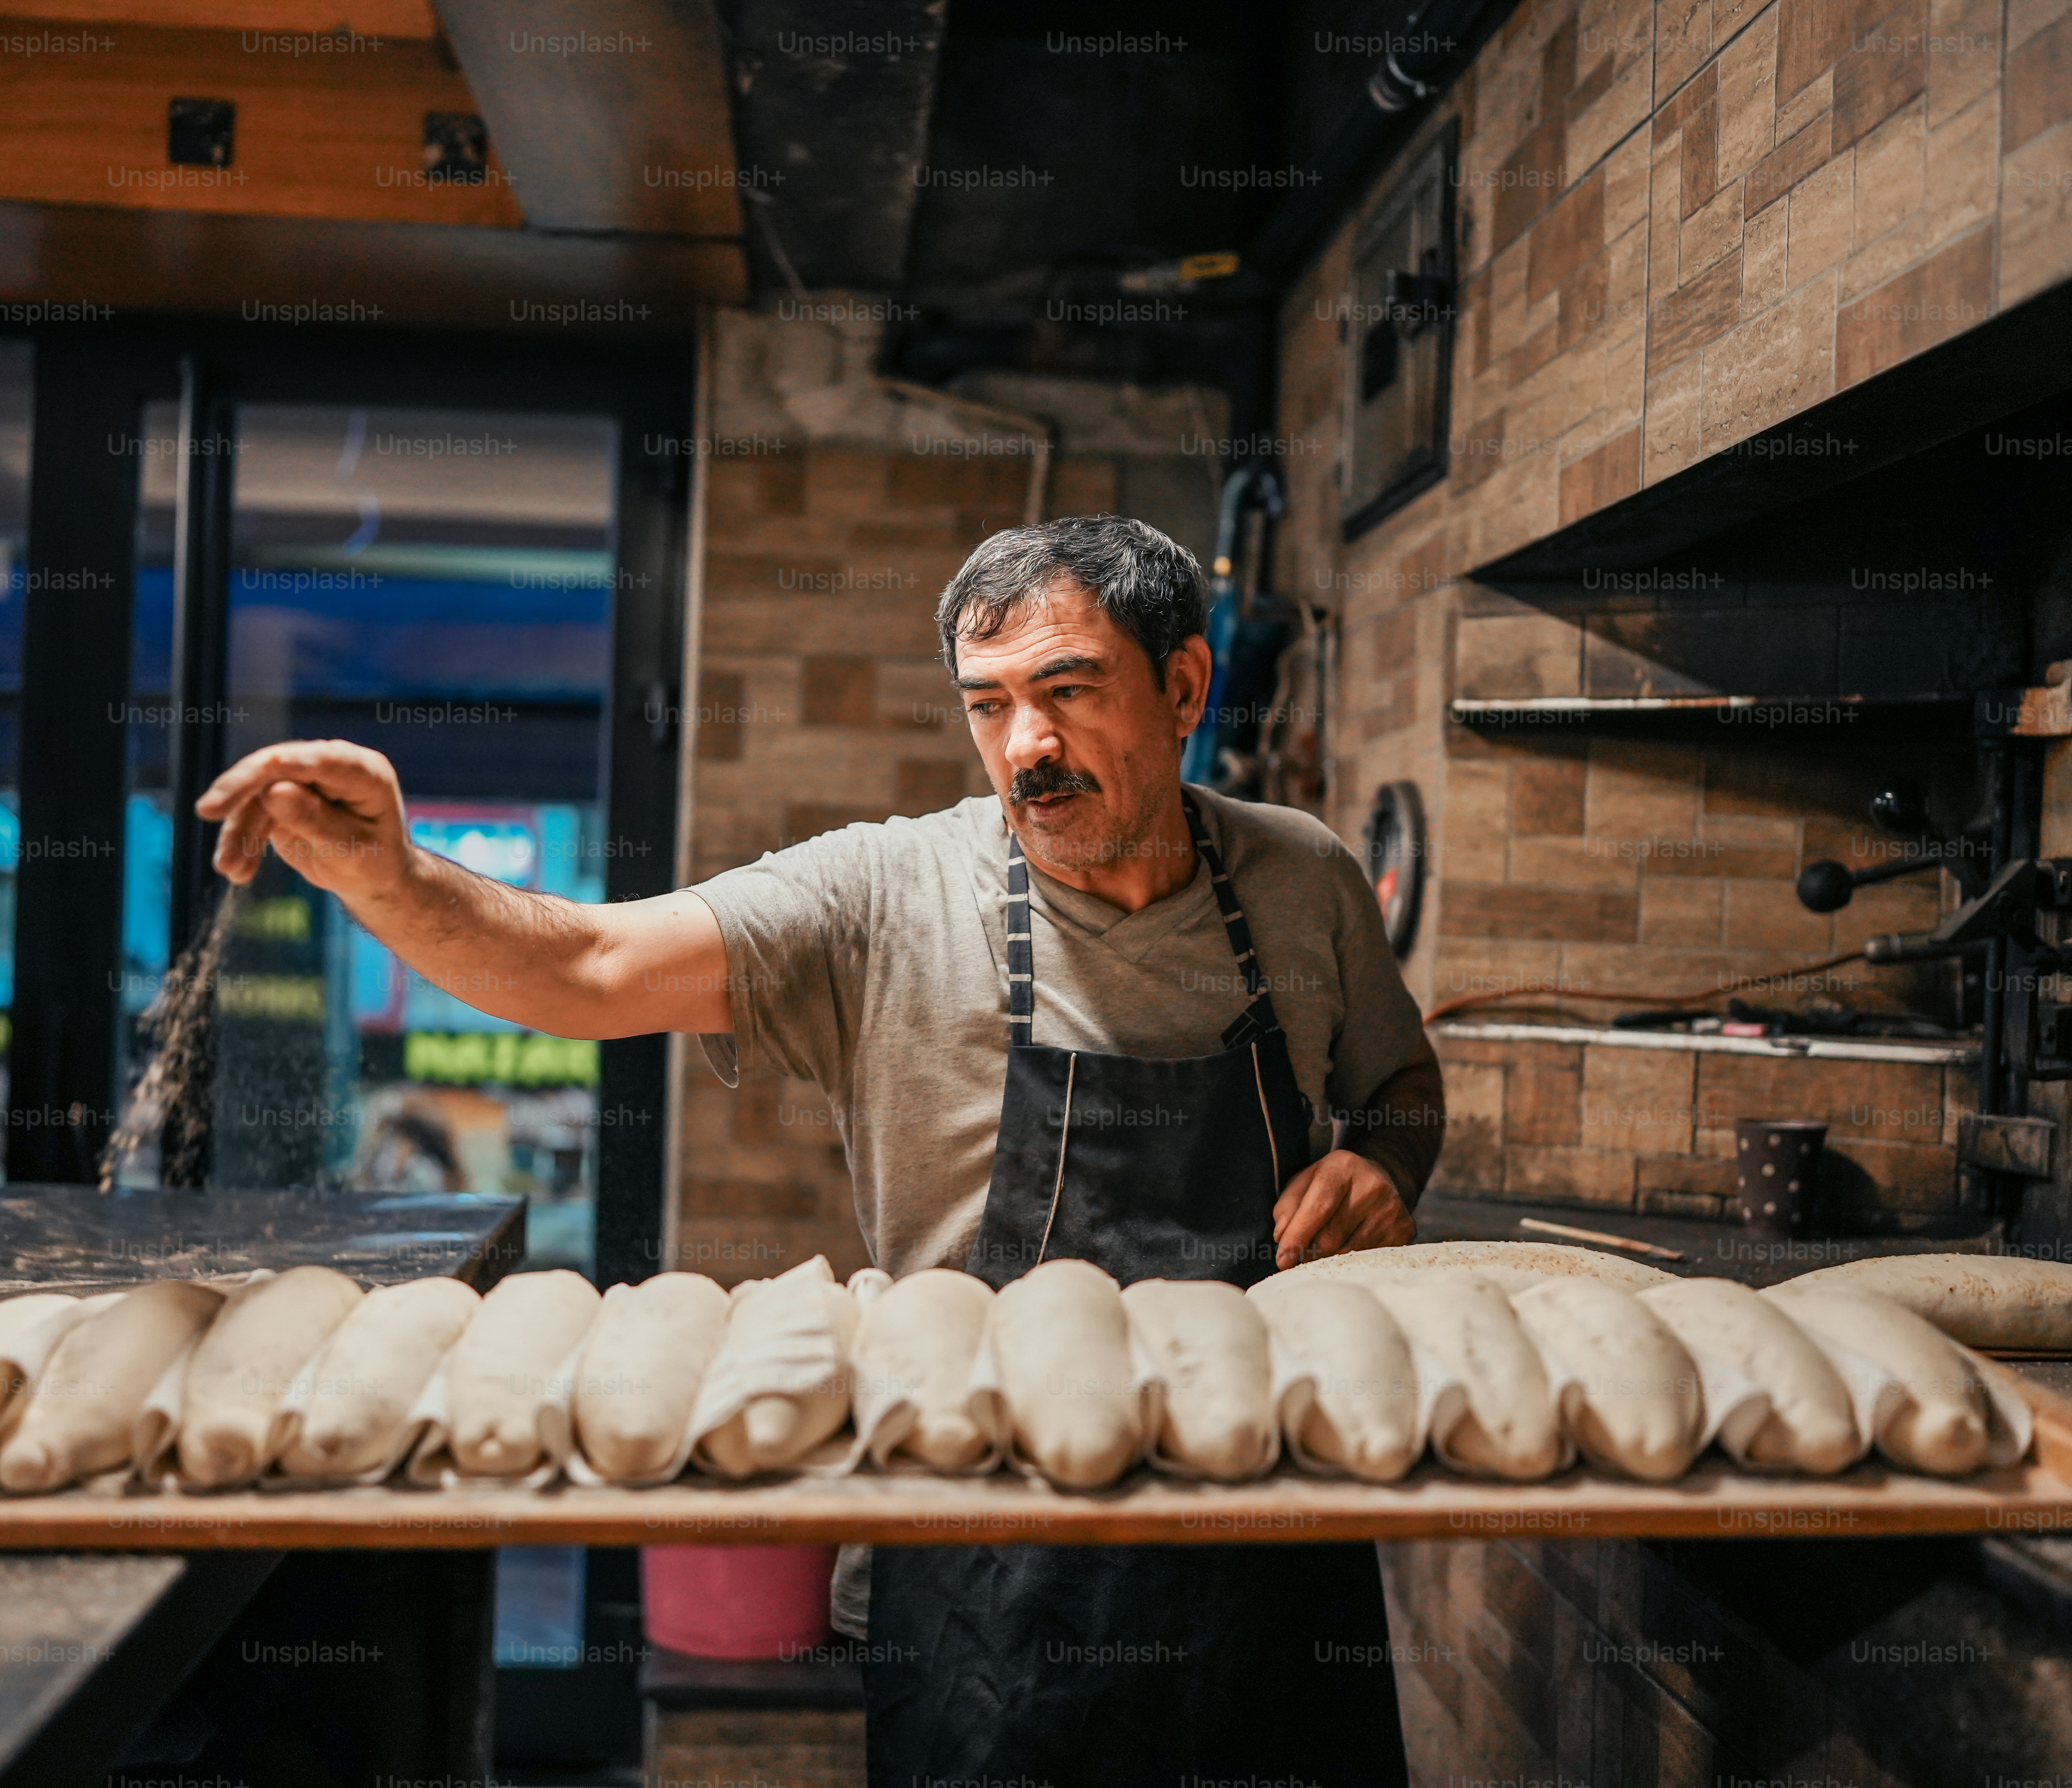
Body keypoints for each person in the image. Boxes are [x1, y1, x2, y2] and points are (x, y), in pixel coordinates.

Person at [199, 512, 1445, 1786]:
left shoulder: (1307, 881)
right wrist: (394, 880)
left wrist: (1386, 1164)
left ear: (1185, 687)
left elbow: (1400, 1082)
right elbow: (589, 962)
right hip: (983, 1550)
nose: (1029, 748)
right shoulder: (885, 896)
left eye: (1069, 692)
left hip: (1271, 1529)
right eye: (991, 704)